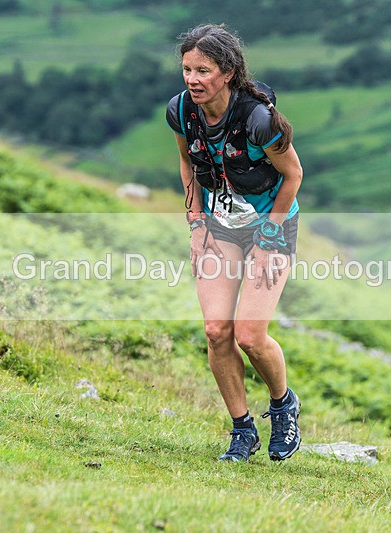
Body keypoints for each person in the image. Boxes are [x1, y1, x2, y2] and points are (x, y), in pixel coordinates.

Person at [166, 24, 304, 462]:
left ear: (227, 72)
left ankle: (283, 404)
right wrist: (195, 219)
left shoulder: (259, 120)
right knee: (216, 331)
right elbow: (188, 165)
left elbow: (293, 175)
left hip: (270, 224)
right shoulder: (181, 112)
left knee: (249, 334)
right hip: (218, 227)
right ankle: (242, 429)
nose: (192, 79)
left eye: (203, 70)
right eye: (187, 69)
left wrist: (270, 230)